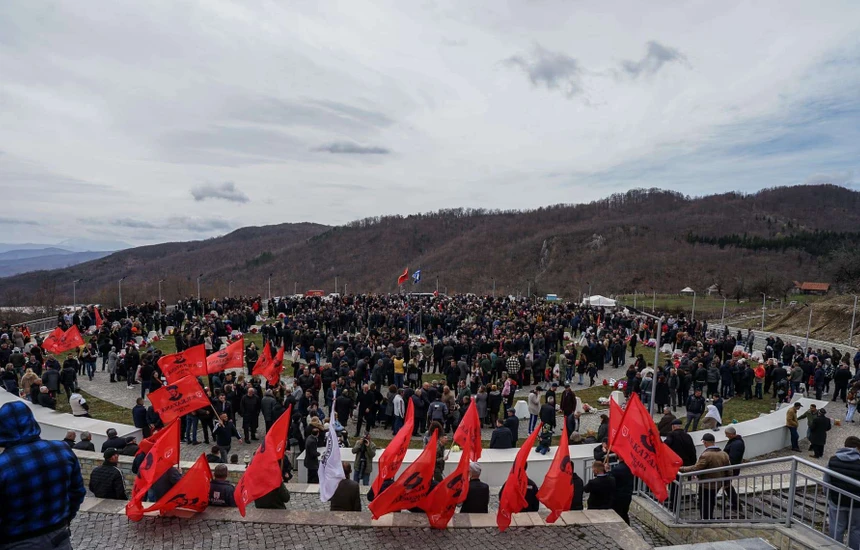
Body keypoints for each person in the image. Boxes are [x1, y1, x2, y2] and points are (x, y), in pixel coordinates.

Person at [0, 401, 85, 548]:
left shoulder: (4, 464)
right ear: (32, 421)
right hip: (59, 537)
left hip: (17, 543)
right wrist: (63, 520)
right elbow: (77, 492)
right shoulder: (62, 450)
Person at [679, 433, 730, 520]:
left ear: (705, 442)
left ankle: (705, 518)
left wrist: (682, 469)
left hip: (706, 483)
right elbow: (729, 470)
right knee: (712, 500)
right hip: (718, 483)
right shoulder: (724, 454)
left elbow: (696, 468)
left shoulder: (706, 455)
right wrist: (727, 482)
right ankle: (710, 517)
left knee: (704, 502)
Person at [825, 436, 860, 549]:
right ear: (858, 448)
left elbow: (826, 481)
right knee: (855, 529)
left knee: (836, 527)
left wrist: (828, 496)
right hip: (856, 503)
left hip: (837, 500)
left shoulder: (832, 460)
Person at [723, 426, 745, 511]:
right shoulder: (735, 442)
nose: (726, 436)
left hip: (730, 470)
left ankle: (736, 505)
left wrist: (727, 469)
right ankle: (736, 505)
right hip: (730, 469)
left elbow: (733, 459)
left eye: (727, 434)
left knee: (726, 486)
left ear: (731, 434)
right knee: (726, 486)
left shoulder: (736, 444)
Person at [610, 458, 634, 524]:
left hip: (618, 496)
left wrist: (606, 471)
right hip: (627, 494)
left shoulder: (617, 469)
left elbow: (610, 480)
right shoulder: (630, 468)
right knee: (624, 513)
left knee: (618, 513)